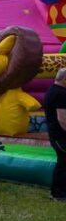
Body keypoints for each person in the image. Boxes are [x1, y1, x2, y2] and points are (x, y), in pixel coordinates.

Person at [43, 68, 66, 202]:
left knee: (62, 163)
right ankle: (58, 193)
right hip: (60, 135)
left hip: (55, 133)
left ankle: (57, 191)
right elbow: (62, 119)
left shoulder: (51, 90)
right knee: (63, 164)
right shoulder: (61, 93)